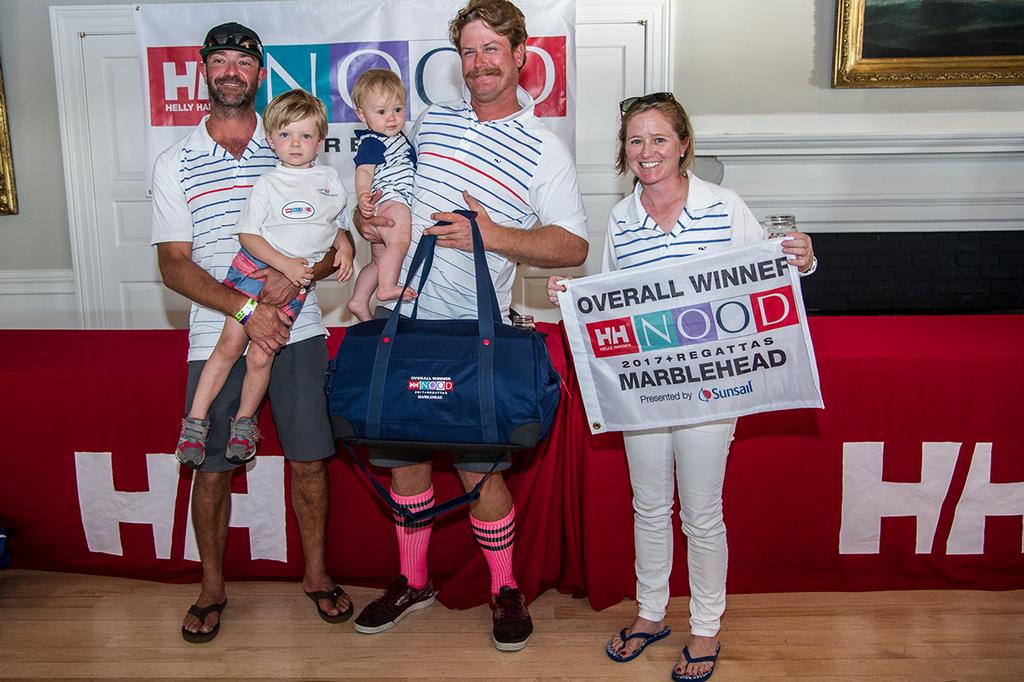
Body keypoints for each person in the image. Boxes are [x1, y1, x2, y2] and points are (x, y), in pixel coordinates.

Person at [545, 93, 816, 681]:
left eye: (659, 139)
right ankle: (650, 613)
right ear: (625, 151)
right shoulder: (620, 218)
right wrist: (575, 293)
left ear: (683, 144)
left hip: (714, 386)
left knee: (700, 513)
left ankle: (707, 626)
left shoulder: (724, 205)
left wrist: (803, 258)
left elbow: (767, 266)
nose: (647, 152)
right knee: (648, 506)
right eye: (636, 141)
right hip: (646, 387)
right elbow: (614, 295)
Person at [351, 0, 589, 652]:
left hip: (471, 334)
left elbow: (572, 247)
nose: (480, 63)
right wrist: (371, 217)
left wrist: (494, 235)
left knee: (479, 471)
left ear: (519, 55)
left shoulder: (546, 150)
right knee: (403, 462)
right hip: (403, 319)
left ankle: (504, 589)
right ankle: (412, 578)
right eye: (469, 51)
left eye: (492, 49)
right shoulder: (430, 123)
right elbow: (388, 188)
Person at [150, 22, 354, 644]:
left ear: (260, 73)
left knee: (311, 458)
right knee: (210, 464)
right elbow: (174, 264)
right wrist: (246, 309)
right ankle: (211, 589)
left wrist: (304, 274)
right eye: (221, 60)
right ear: (204, 71)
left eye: (244, 60)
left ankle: (317, 576)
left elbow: (328, 245)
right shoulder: (175, 162)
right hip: (219, 332)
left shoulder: (293, 145)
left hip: (300, 326)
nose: (232, 69)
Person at [175, 88, 355, 468]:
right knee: (228, 347)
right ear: (271, 140)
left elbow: (335, 225)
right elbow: (248, 235)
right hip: (252, 270)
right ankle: (194, 422)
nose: (296, 144)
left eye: (306, 135)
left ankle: (244, 423)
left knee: (262, 354)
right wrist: (286, 266)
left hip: (296, 287)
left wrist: (347, 249)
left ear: (320, 140)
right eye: (287, 135)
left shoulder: (329, 180)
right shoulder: (268, 183)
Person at [346, 69, 417, 321]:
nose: (392, 118)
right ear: (361, 114)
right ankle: (387, 288)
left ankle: (359, 300)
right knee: (399, 240)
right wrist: (363, 196)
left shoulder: (399, 138)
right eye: (381, 112)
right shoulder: (374, 141)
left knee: (378, 261)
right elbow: (363, 171)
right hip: (391, 201)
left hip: (385, 204)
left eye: (398, 109)